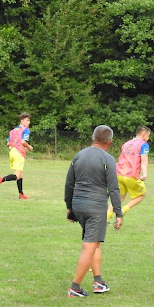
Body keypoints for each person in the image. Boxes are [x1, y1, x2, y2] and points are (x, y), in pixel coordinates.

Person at [65, 125, 123, 297]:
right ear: (110, 142)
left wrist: (69, 208)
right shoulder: (108, 159)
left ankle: (98, 281)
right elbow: (114, 188)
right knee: (89, 245)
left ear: (93, 137)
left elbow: (69, 183)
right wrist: (119, 213)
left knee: (95, 241)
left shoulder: (79, 155)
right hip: (95, 207)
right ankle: (75, 287)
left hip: (78, 205)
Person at [106, 126, 151, 222]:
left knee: (119, 198)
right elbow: (144, 160)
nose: (148, 139)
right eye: (148, 136)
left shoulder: (126, 144)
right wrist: (145, 174)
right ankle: (123, 211)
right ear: (143, 135)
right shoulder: (144, 145)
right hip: (131, 175)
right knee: (141, 195)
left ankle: (106, 218)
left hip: (118, 174)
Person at [0, 113, 33, 199]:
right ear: (22, 120)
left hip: (12, 152)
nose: (29, 122)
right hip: (19, 153)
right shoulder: (26, 129)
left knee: (21, 174)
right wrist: (29, 147)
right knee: (17, 175)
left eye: (29, 120)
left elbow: (8, 143)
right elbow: (23, 142)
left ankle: (21, 194)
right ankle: (1, 179)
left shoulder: (13, 130)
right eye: (27, 120)